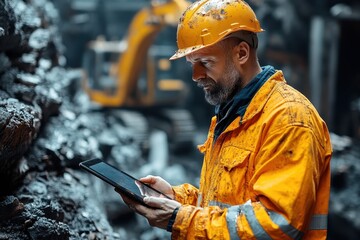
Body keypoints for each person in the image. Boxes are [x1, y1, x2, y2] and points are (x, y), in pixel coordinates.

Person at [115, 0, 332, 239]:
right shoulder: (233, 113)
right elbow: (225, 203)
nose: (196, 76)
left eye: (205, 63)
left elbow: (276, 223)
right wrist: (176, 199)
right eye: (192, 64)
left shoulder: (289, 119)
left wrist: (181, 218)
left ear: (241, 53)